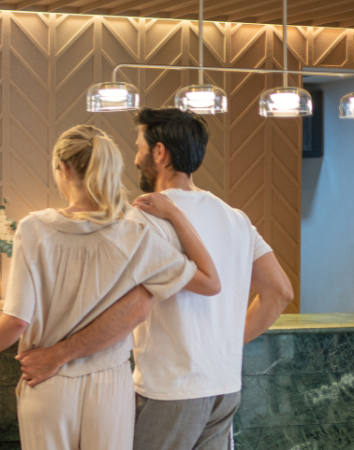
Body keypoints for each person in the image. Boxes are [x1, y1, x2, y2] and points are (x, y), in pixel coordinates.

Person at [16, 108, 295, 450]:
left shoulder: (144, 218)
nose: (135, 159)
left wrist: (58, 354)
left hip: (171, 389)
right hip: (225, 387)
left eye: (139, 148)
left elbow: (134, 310)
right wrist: (223, 344)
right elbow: (279, 292)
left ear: (159, 152)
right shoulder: (236, 218)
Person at [0, 124, 221, 450]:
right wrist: (177, 217)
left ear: (64, 168)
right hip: (110, 384)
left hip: (47, 380)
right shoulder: (134, 234)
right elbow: (210, 282)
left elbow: (17, 320)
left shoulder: (34, 228)